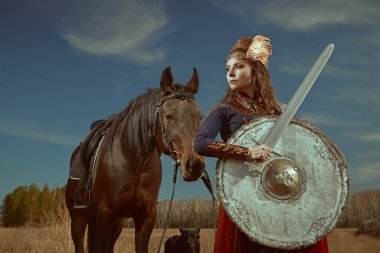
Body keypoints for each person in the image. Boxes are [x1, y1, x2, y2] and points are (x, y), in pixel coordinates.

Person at [194, 35, 329, 253]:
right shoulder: (225, 109)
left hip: (279, 190)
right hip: (244, 193)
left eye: (238, 66)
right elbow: (200, 143)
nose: (230, 73)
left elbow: (295, 150)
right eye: (228, 67)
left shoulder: (279, 111)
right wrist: (246, 152)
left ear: (256, 69)